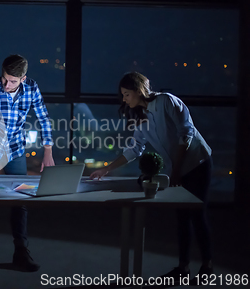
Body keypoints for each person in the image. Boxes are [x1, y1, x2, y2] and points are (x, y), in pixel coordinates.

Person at [90, 72, 213, 284]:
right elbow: (134, 149)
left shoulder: (166, 101)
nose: (124, 100)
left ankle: (207, 266)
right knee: (182, 218)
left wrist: (175, 170)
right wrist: (106, 169)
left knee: (197, 214)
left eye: (127, 94)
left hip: (197, 163)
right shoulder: (141, 118)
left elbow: (186, 133)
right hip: (177, 169)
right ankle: (183, 268)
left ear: (139, 91)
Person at [0, 54, 55, 272]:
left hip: (15, 150)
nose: (6, 84)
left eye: (12, 81)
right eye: (4, 78)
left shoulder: (31, 88)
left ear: (23, 78)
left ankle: (20, 251)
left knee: (20, 200)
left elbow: (43, 117)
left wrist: (47, 150)